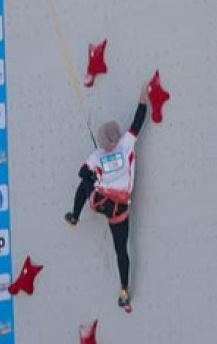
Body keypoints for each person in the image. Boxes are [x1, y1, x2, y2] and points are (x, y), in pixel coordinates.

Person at [64, 84, 151, 311]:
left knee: (83, 187)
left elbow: (82, 174)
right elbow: (137, 123)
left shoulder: (97, 155)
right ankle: (124, 290)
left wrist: (93, 176)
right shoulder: (126, 145)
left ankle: (74, 216)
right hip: (119, 211)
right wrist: (142, 98)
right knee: (121, 250)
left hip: (100, 203)